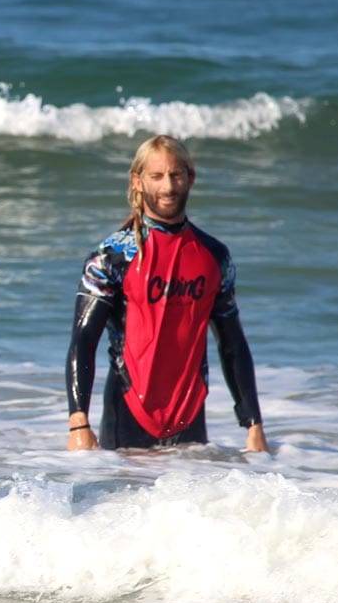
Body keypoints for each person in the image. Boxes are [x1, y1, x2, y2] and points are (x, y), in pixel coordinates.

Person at [65, 134, 268, 453]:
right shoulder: (112, 256)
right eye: (157, 176)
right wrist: (79, 422)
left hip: (190, 417)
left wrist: (253, 424)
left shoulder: (214, 256)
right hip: (128, 415)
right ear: (138, 180)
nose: (168, 187)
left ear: (191, 177)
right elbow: (83, 340)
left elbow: (232, 343)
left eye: (176, 175)